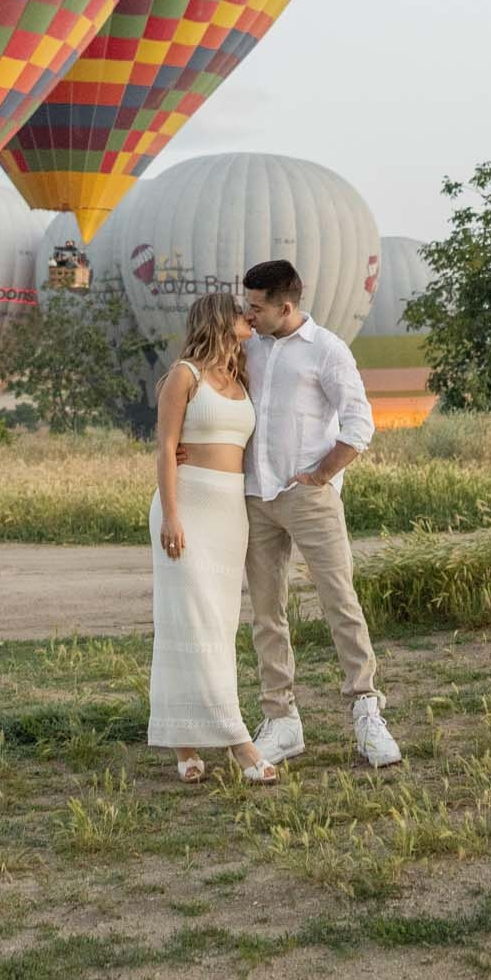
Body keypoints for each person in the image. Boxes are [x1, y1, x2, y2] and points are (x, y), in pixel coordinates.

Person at [240, 258, 402, 772]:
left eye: (257, 307)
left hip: (308, 496)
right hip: (255, 496)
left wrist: (321, 474)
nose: (248, 315)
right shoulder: (248, 348)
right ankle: (281, 720)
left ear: (285, 306)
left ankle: (366, 709)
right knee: (267, 612)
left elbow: (359, 424)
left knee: (339, 601)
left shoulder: (327, 350)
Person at [149, 289, 281, 787]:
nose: (248, 317)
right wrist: (171, 514)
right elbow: (164, 448)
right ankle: (239, 742)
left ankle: (181, 737)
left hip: (230, 512)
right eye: (239, 313)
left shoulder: (240, 375)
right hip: (188, 508)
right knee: (190, 622)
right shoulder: (184, 375)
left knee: (214, 628)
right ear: (216, 320)